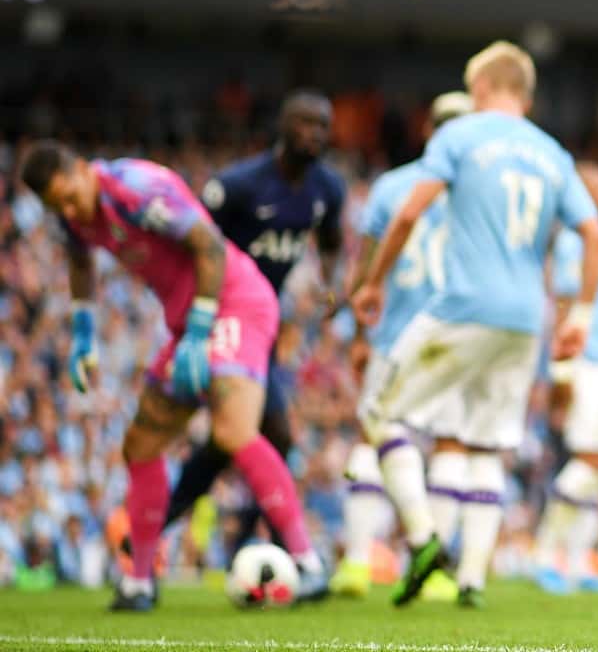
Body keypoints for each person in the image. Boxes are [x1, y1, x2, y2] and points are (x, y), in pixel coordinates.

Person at [354, 41, 598, 609]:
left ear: (485, 86)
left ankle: (423, 538)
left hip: (462, 307)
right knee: (487, 445)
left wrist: (372, 281)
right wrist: (581, 315)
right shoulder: (552, 153)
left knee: (378, 413)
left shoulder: (461, 135)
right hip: (524, 320)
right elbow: (593, 232)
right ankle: (471, 578)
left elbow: (411, 212)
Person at [20, 143, 328, 610]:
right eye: (55, 206)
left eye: (69, 197)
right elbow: (80, 260)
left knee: (233, 431)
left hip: (236, 304)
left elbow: (209, 245)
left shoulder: (137, 189)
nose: (68, 211)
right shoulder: (73, 216)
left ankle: (308, 563)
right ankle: (140, 582)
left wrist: (200, 329)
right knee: (140, 446)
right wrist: (83, 332)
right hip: (187, 324)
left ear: (82, 170)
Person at [164, 91, 345, 561]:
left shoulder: (327, 189)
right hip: (223, 316)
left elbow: (330, 244)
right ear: (282, 127)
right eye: (305, 123)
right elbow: (194, 245)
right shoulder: (238, 186)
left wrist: (329, 289)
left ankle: (174, 522)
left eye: (323, 126)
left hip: (262, 324)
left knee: (235, 436)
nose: (315, 134)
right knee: (272, 432)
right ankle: (288, 550)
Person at [332, 90, 471, 600]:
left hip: (394, 334)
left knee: (374, 435)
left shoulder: (391, 186)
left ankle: (356, 562)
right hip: (458, 333)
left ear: (429, 129)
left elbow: (365, 268)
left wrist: (359, 335)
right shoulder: (477, 190)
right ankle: (436, 571)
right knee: (451, 443)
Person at [535, 161, 598, 595]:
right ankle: (545, 554)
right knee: (587, 460)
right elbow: (564, 304)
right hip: (588, 360)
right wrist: (562, 371)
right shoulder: (574, 241)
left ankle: (579, 561)